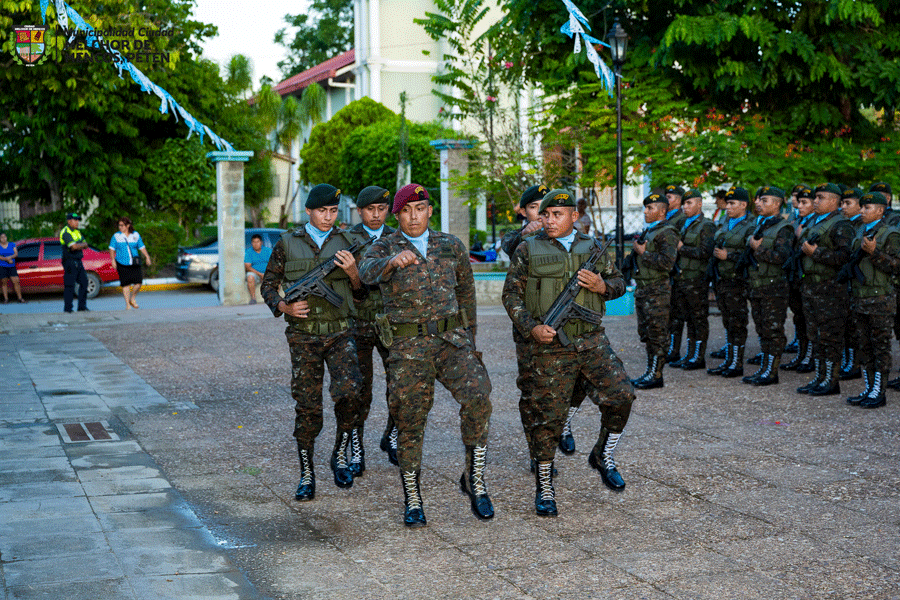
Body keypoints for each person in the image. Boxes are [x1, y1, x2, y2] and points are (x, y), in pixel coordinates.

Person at [358, 183, 493, 527]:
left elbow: (467, 295)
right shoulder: (384, 246)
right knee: (410, 418)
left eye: (420, 209)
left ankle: (475, 479)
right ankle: (413, 496)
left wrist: (471, 340)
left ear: (430, 211)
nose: (414, 217)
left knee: (479, 395)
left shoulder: (451, 245)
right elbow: (365, 272)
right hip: (408, 348)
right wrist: (391, 263)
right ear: (397, 215)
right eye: (406, 211)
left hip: (452, 341)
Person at [502, 188, 635, 517]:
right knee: (549, 416)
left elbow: (619, 282)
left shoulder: (592, 246)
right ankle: (544, 483)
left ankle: (603, 454)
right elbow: (511, 296)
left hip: (591, 339)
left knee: (621, 395)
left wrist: (603, 287)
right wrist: (532, 327)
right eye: (545, 214)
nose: (549, 220)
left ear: (574, 217)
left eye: (557, 214)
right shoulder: (528, 248)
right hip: (550, 345)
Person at [260, 183, 367, 502]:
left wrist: (353, 274)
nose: (328, 217)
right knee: (307, 405)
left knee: (350, 393)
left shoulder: (347, 242)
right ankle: (306, 473)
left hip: (340, 331)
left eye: (333, 211)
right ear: (308, 211)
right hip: (303, 336)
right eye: (322, 211)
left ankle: (339, 454)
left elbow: (363, 294)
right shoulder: (287, 242)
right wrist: (284, 306)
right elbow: (268, 285)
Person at [346, 186, 397, 471]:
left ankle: (392, 436)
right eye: (370, 209)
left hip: (393, 323)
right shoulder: (346, 239)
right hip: (358, 322)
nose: (376, 214)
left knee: (400, 384)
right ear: (360, 211)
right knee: (359, 389)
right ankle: (357, 449)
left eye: (381, 209)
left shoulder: (397, 237)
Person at [796, 183, 854, 396]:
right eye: (815, 197)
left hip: (830, 289)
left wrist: (816, 253)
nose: (816, 201)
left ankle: (831, 380)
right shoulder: (814, 221)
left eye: (820, 197)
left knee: (830, 337)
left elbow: (845, 258)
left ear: (834, 201)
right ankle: (820, 377)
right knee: (815, 336)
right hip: (811, 286)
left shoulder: (841, 225)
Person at [846, 191, 900, 408]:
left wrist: (874, 252)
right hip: (860, 297)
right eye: (861, 207)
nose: (861, 211)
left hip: (880, 300)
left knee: (880, 347)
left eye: (866, 208)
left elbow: (896, 266)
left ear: (880, 210)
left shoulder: (890, 234)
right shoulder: (860, 230)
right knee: (865, 346)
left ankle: (879, 391)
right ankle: (869, 388)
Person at [741, 186, 795, 385]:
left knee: (773, 331)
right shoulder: (761, 225)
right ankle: (764, 368)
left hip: (773, 288)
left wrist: (758, 249)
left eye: (764, 201)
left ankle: (771, 372)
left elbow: (782, 257)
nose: (759, 203)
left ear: (777, 204)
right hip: (757, 285)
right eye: (759, 200)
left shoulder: (784, 228)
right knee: (762, 329)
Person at [630, 193, 678, 389]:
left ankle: (656, 375)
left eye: (650, 208)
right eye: (646, 208)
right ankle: (650, 371)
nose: (645, 212)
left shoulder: (668, 232)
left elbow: (667, 263)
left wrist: (644, 253)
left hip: (657, 290)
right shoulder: (651, 230)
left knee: (657, 333)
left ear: (662, 211)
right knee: (647, 333)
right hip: (644, 288)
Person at [707, 187, 754, 377]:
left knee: (737, 322)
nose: (728, 207)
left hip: (738, 280)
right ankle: (729, 359)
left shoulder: (751, 225)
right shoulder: (726, 222)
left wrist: (729, 256)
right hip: (722, 279)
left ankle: (736, 363)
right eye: (727, 203)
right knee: (728, 321)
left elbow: (750, 253)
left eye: (732, 203)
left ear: (743, 205)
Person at [670, 189, 715, 370]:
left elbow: (705, 252)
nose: (685, 207)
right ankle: (689, 354)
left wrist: (682, 248)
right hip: (681, 278)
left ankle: (698, 356)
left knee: (698, 318)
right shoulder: (683, 223)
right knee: (687, 318)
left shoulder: (706, 225)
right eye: (684, 203)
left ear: (699, 204)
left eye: (689, 203)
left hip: (696, 279)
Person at [782, 186, 816, 372]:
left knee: (810, 321)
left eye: (805, 202)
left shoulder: (814, 223)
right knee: (800, 319)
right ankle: (802, 354)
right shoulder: (797, 221)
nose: (799, 205)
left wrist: (799, 236)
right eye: (799, 202)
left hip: (808, 278)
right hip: (796, 278)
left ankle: (810, 357)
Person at [838, 188, 865, 380]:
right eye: (842, 203)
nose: (843, 207)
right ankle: (849, 361)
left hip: (859, 282)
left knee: (854, 326)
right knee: (847, 324)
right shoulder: (846, 224)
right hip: (846, 281)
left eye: (848, 203)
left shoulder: (862, 225)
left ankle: (854, 364)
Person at [662, 184, 688, 363]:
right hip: (667, 270)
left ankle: (674, 349)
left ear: (678, 200)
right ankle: (670, 347)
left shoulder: (681, 218)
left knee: (677, 313)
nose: (666, 199)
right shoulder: (666, 217)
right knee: (670, 313)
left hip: (676, 270)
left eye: (670, 197)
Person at [108, 217, 152, 310]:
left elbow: (141, 247)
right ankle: (128, 305)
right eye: (119, 225)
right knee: (125, 284)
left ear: (128, 226)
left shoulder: (135, 235)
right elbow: (111, 248)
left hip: (134, 262)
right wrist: (112, 260)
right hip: (121, 262)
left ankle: (132, 298)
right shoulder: (116, 236)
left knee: (138, 282)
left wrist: (147, 257)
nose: (120, 227)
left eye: (122, 225)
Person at [60, 212, 89, 313]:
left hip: (78, 261)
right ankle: (68, 309)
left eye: (78, 220)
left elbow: (86, 244)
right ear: (69, 221)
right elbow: (73, 247)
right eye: (75, 220)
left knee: (84, 282)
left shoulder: (77, 232)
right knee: (70, 285)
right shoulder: (65, 232)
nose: (77, 222)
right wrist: (80, 245)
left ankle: (82, 307)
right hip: (69, 261)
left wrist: (78, 245)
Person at [244, 233, 272, 305]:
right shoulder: (249, 252)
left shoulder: (268, 251)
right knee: (250, 276)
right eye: (254, 242)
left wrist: (267, 273)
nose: (256, 244)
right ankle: (253, 298)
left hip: (267, 272)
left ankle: (273, 299)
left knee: (276, 276)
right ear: (251, 243)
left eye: (257, 242)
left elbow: (273, 263)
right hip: (256, 274)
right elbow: (247, 267)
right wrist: (260, 274)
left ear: (261, 242)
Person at [0, 232, 25, 303]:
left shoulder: (12, 244)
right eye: (1, 237)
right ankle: (6, 299)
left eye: (4, 237)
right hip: (2, 267)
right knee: (4, 283)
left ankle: (20, 298)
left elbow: (16, 254)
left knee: (16, 281)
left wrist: (10, 257)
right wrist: (7, 259)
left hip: (12, 266)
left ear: (6, 237)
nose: (3, 238)